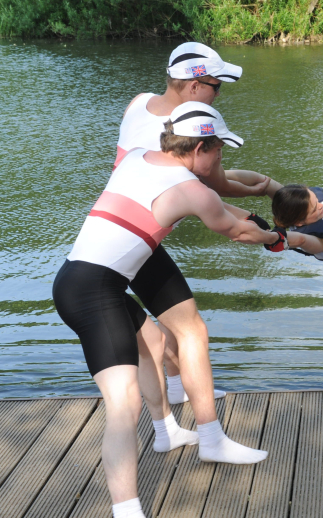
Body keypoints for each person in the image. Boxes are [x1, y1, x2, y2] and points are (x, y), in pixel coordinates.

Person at [54, 102, 281, 518]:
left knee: (155, 341)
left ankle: (168, 432)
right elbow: (236, 230)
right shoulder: (190, 190)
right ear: (199, 148)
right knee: (123, 407)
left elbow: (220, 205)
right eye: (218, 150)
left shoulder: (139, 157)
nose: (220, 159)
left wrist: (247, 214)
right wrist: (277, 238)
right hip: (94, 295)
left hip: (78, 279)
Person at [117, 42, 280, 405]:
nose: (218, 95)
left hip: (128, 229)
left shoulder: (138, 102)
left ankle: (177, 391)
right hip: (135, 241)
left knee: (175, 318)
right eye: (215, 87)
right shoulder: (185, 134)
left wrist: (262, 192)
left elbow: (205, 185)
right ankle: (202, 419)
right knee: (189, 327)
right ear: (193, 86)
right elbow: (215, 188)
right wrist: (266, 204)